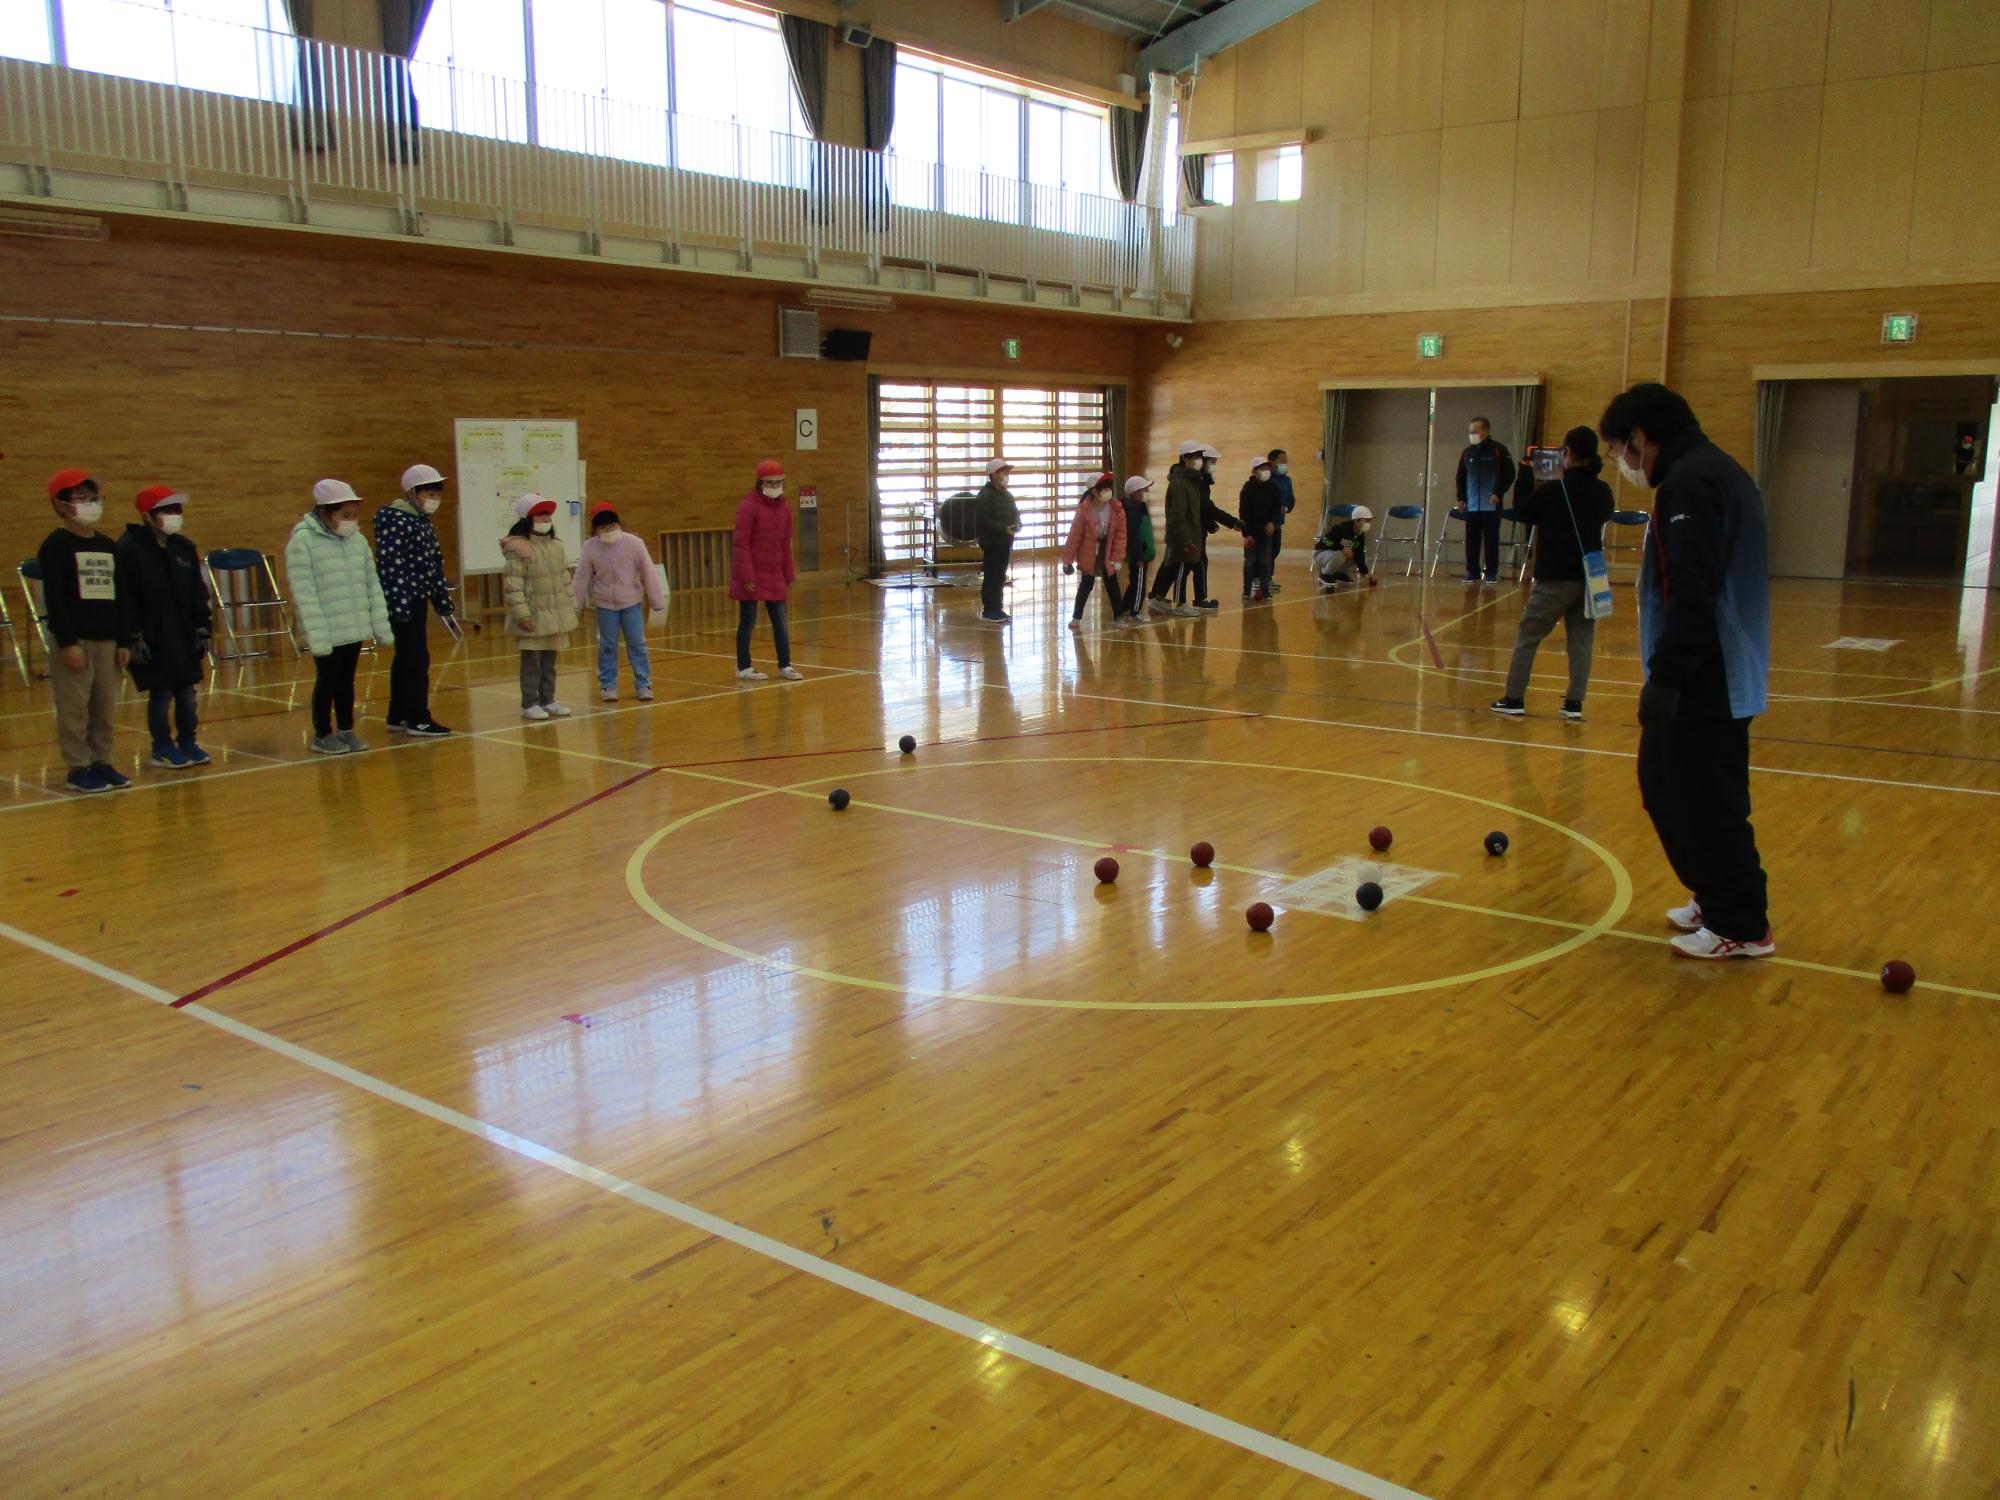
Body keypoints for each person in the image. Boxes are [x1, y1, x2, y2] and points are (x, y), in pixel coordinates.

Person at [1599, 381, 1774, 961]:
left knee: (1699, 797)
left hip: (1707, 673)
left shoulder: (1691, 483)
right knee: (1681, 787)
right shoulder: (1714, 471)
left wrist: (1669, 676)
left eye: (1620, 450)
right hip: (1713, 668)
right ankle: (1716, 894)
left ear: (1641, 438)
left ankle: (1741, 923)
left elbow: (1691, 587)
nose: (1622, 463)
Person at [1490, 427, 1614, 723]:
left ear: (1567, 453)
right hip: (1590, 577)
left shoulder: (1554, 490)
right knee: (1581, 639)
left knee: (1529, 635)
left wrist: (1524, 474)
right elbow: (1603, 514)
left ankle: (1514, 697)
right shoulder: (1603, 491)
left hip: (1555, 575)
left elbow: (1522, 511)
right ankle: (1574, 703)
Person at [38, 468, 132, 793]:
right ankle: (78, 766)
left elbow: (119, 596)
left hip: (108, 639)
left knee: (104, 707)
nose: (90, 505)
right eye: (81, 499)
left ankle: (101, 760)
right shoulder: (56, 546)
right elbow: (56, 599)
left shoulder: (108, 546)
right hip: (76, 640)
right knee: (74, 707)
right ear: (62, 504)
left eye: (94, 499)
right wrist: (67, 642)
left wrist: (123, 639)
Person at [287, 478, 393, 755]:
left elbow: (371, 584)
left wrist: (379, 625)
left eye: (354, 516)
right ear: (324, 512)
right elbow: (304, 592)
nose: (350, 521)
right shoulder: (303, 542)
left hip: (352, 625)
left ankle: (346, 729)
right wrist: (317, 635)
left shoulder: (357, 540)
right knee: (328, 680)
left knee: (347, 680)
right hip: (327, 627)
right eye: (344, 516)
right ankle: (322, 733)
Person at [116, 485, 212, 770]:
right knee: (161, 694)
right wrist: (132, 636)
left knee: (186, 693)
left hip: (182, 633)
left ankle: (187, 741)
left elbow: (198, 591)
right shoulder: (128, 549)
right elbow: (125, 597)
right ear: (148, 515)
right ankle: (161, 746)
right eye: (166, 511)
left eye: (176, 510)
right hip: (151, 635)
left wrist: (202, 627)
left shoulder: (184, 548)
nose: (174, 516)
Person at [374, 462, 455, 737]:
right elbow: (391, 566)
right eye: (429, 493)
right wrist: (399, 606)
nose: (434, 499)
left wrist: (441, 599)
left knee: (407, 658)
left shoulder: (420, 521)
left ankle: (398, 714)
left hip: (417, 598)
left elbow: (433, 563)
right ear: (412, 492)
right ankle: (418, 717)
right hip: (404, 601)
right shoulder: (396, 521)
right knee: (415, 659)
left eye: (436, 493)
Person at [574, 501, 665, 702]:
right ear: (596, 530)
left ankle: (644, 683)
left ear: (619, 524)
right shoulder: (590, 547)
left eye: (612, 526)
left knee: (637, 644)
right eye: (603, 528)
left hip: (631, 603)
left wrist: (656, 599)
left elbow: (649, 571)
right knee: (607, 645)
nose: (608, 531)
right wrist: (574, 606)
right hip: (605, 605)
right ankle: (607, 684)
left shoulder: (634, 543)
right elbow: (581, 577)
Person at [500, 493, 578, 721]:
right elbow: (513, 586)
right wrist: (521, 614)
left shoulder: (555, 546)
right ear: (528, 519)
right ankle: (530, 702)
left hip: (553, 613)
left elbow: (564, 579)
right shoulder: (518, 549)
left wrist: (571, 605)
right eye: (540, 515)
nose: (545, 519)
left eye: (547, 515)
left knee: (549, 661)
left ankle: (548, 699)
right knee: (532, 662)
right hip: (532, 615)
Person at [731, 460, 802, 681]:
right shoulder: (748, 507)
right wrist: (747, 577)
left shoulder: (785, 509)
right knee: (748, 620)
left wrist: (788, 574)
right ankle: (743, 666)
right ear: (760, 483)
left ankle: (785, 665)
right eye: (771, 482)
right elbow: (740, 544)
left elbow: (785, 543)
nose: (775, 486)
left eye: (779, 482)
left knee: (780, 620)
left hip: (775, 573)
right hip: (752, 574)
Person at [1060, 471, 1127, 631]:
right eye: (1103, 488)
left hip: (1108, 549)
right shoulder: (1084, 511)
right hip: (1089, 550)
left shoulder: (1117, 509)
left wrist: (1117, 558)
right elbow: (1074, 537)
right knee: (1086, 583)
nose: (1108, 491)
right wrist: (1067, 561)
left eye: (1109, 488)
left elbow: (1120, 536)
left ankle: (1119, 617)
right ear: (1094, 492)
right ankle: (1076, 617)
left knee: (1112, 583)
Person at [1147, 442, 1206, 617]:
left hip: (1189, 534)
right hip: (1182, 536)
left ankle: (1159, 599)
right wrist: (1185, 539)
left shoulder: (1191, 482)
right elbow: (1177, 515)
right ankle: (1180, 603)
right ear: (1186, 459)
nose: (1199, 461)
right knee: (1181, 569)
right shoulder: (1180, 483)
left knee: (1174, 569)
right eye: (1195, 457)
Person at [1455, 417, 1515, 583]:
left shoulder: (1499, 450)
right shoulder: (1468, 452)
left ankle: (1491, 572)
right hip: (1472, 504)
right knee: (1472, 538)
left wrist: (1498, 492)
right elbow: (1461, 476)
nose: (1472, 434)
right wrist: (1460, 498)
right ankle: (1473, 571)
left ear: (1486, 431)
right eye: (1470, 432)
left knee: (1491, 539)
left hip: (1492, 504)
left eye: (1475, 431)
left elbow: (1509, 474)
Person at [973, 457, 1019, 625]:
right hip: (992, 542)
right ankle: (989, 610)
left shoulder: (1007, 494)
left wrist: (1017, 524)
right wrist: (1002, 529)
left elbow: (1015, 513)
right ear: (993, 475)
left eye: (1006, 472)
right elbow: (983, 519)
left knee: (1000, 577)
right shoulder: (985, 495)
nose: (1005, 475)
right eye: (1002, 472)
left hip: (1005, 542)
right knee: (992, 577)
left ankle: (997, 608)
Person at [1238, 457, 1283, 603]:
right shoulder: (1247, 489)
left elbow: (1277, 508)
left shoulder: (1273, 487)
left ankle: (1265, 590)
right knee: (1250, 562)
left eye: (1267, 468)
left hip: (1266, 532)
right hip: (1252, 532)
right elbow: (1243, 513)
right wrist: (1246, 534)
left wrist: (1272, 522)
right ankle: (1246, 590)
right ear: (1254, 471)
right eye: (1262, 468)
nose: (1266, 471)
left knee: (1265, 562)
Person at [1118, 475, 1157, 625]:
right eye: (1140, 491)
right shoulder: (1133, 509)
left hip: (1140, 552)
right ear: (1133, 493)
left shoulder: (1136, 507)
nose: (1142, 494)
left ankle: (1125, 606)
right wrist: (1139, 555)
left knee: (1135, 581)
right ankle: (1135, 612)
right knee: (1139, 583)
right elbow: (1133, 533)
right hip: (1139, 553)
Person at [1311, 507, 1373, 588]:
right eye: (1366, 520)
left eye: (1369, 521)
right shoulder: (1341, 528)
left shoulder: (1360, 535)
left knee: (1355, 556)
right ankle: (1325, 574)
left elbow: (1359, 553)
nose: (1368, 523)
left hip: (1335, 555)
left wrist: (1364, 573)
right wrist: (1341, 548)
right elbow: (1325, 543)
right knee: (1341, 555)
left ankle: (1337, 573)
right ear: (1356, 520)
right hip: (1320, 554)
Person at [1267, 448, 1296, 590]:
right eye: (1282, 461)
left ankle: (1268, 578)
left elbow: (1291, 499)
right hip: (1267, 522)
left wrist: (1287, 507)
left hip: (1279, 522)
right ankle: (1258, 578)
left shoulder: (1287, 480)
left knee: (1274, 550)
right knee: (1264, 551)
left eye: (1286, 461)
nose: (1285, 464)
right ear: (1272, 463)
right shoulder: (1267, 480)